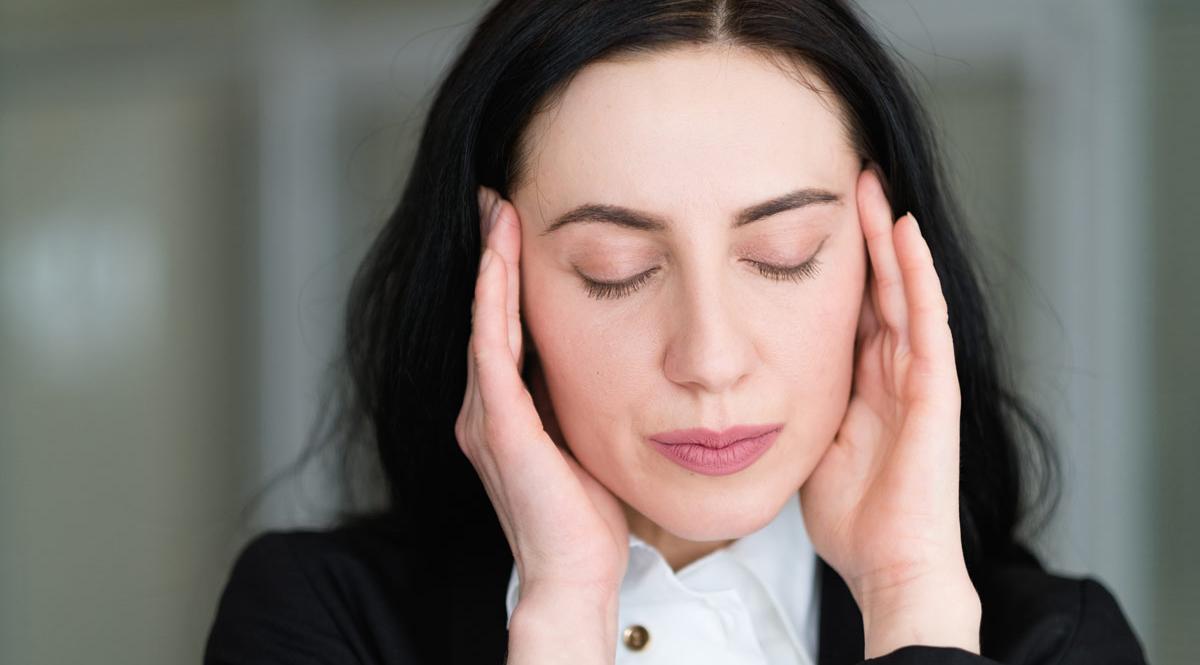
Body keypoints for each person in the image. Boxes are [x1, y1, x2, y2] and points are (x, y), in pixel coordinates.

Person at [204, 1, 1149, 663]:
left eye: (782, 254)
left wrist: (908, 600)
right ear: (498, 287)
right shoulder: (325, 619)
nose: (709, 358)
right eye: (616, 269)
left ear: (880, 271)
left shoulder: (1056, 643)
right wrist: (563, 615)